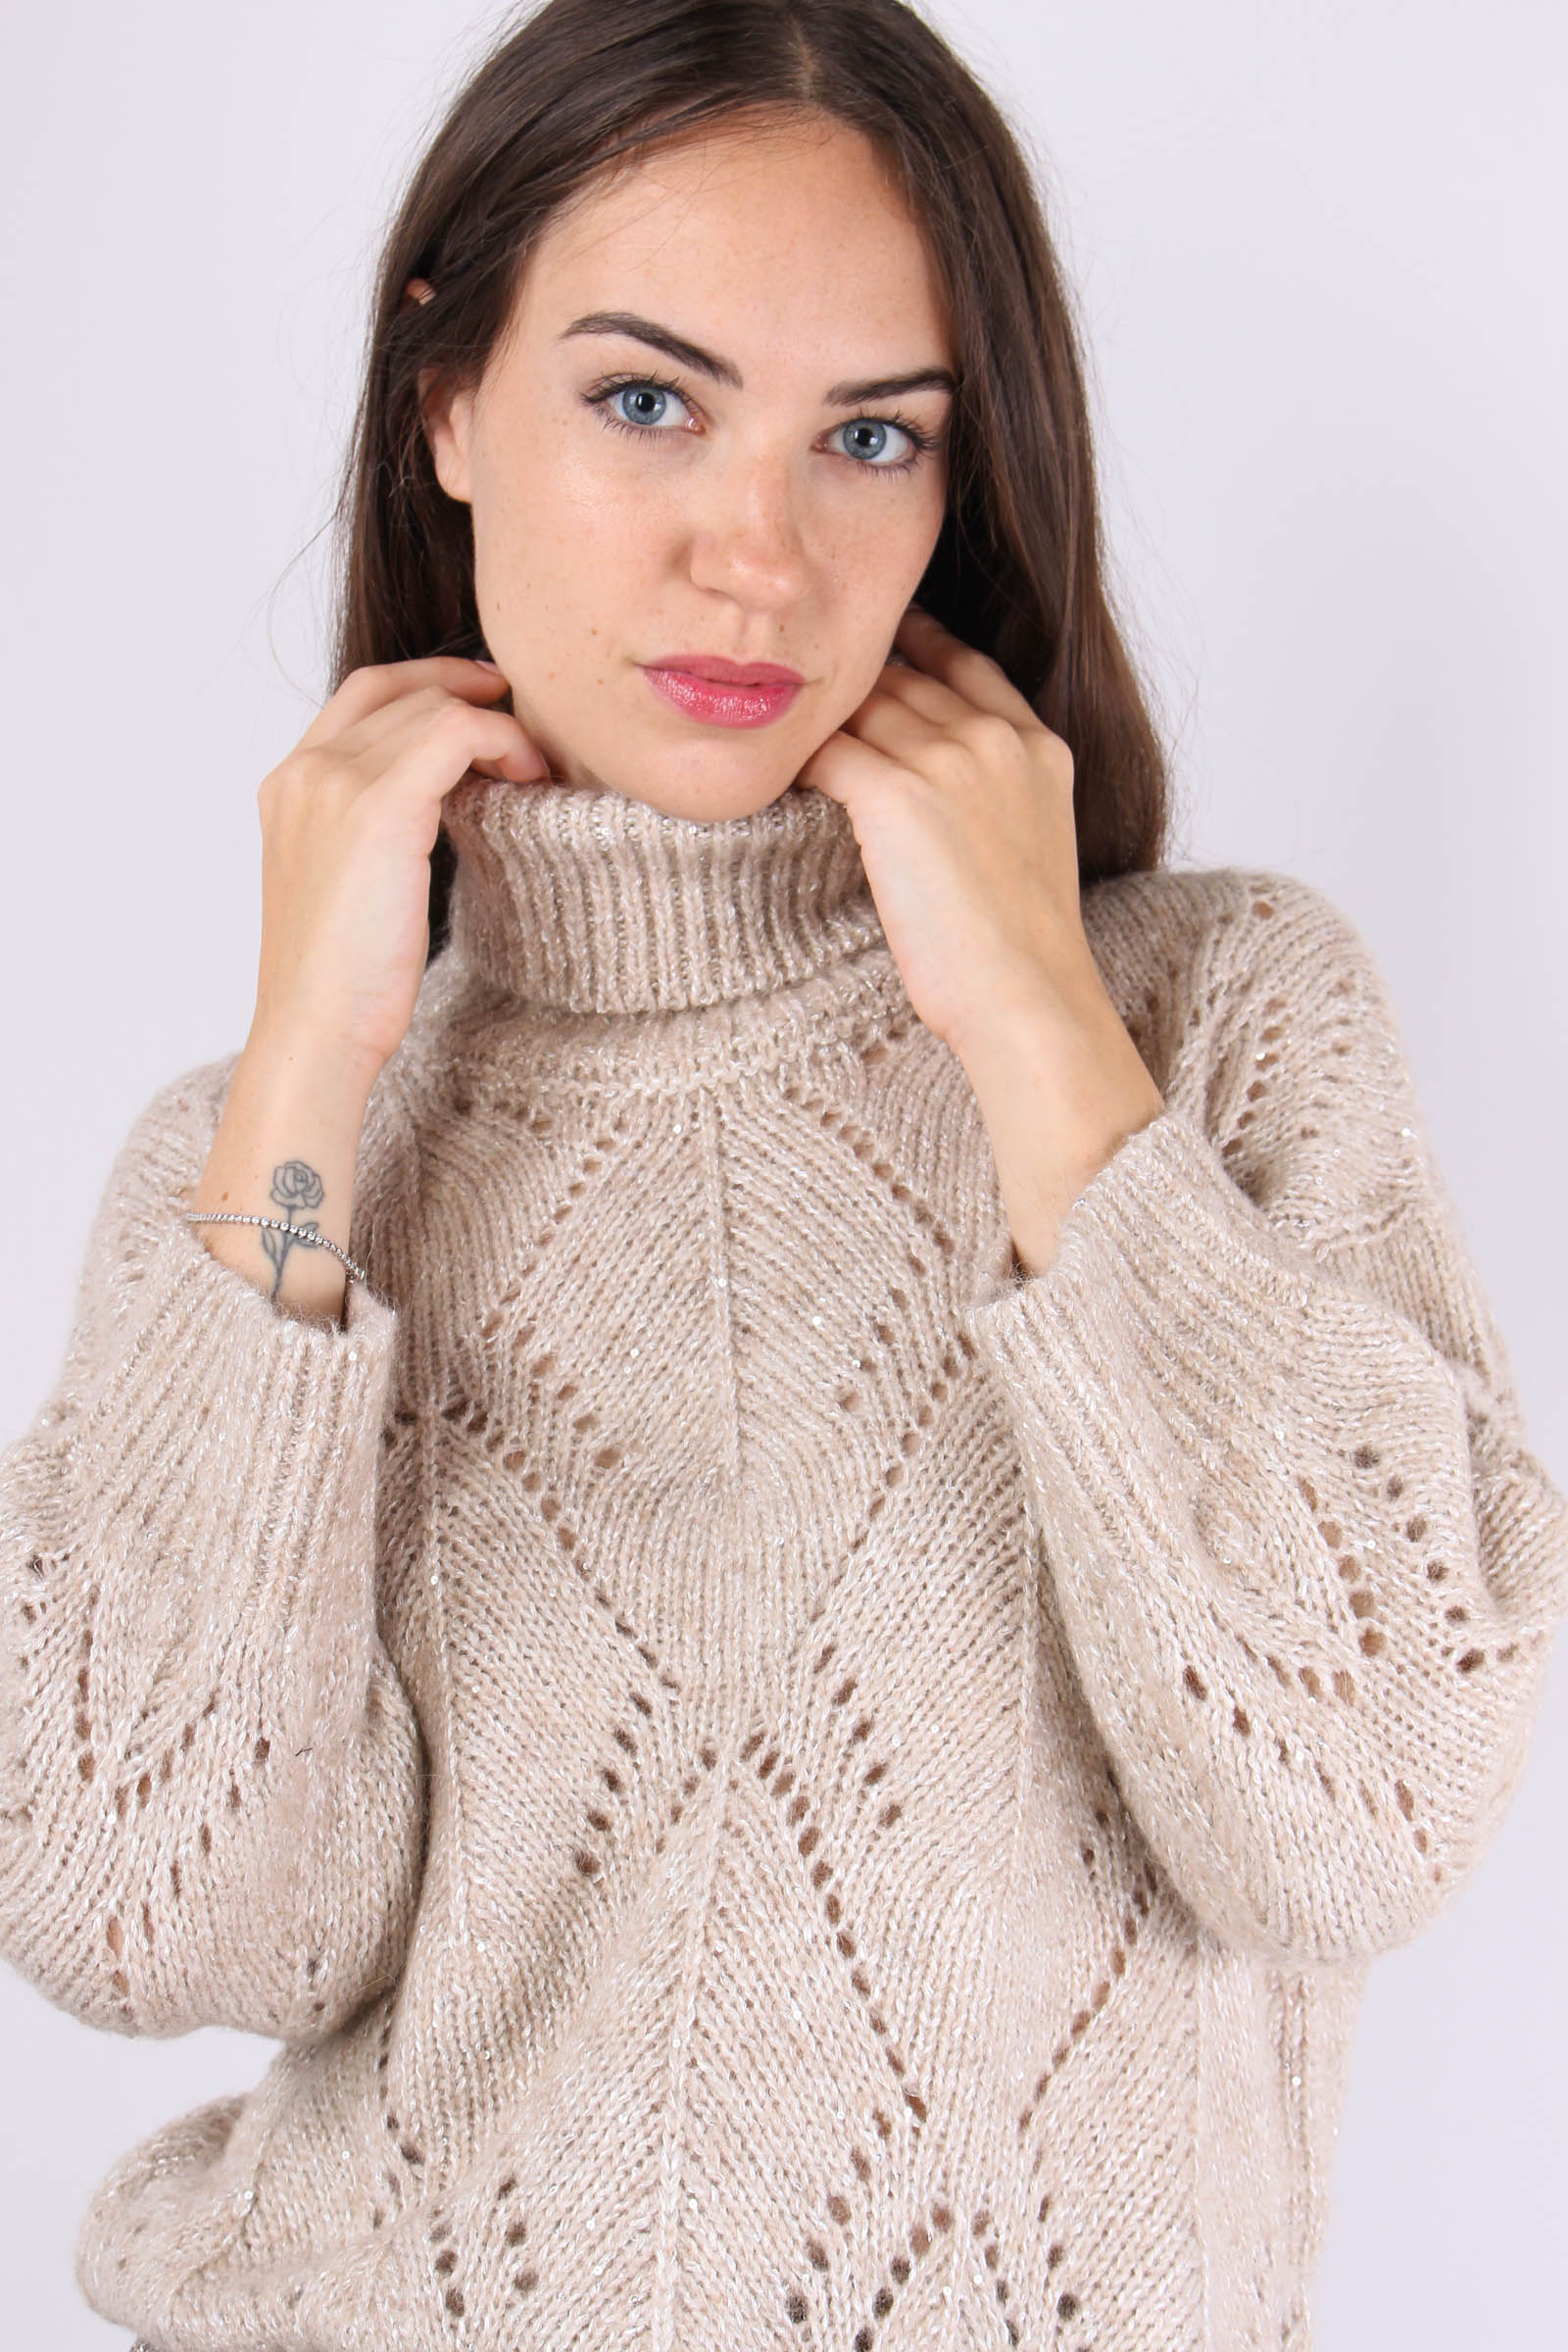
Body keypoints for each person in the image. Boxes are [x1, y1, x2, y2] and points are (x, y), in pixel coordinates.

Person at [3, 0, 1563, 2345]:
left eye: (867, 436)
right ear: (445, 402)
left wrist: (1029, 1020)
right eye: (647, 401)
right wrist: (314, 1054)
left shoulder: (1210, 1022)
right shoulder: (259, 1175)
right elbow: (155, 1914)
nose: (756, 552)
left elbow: (1354, 1810)